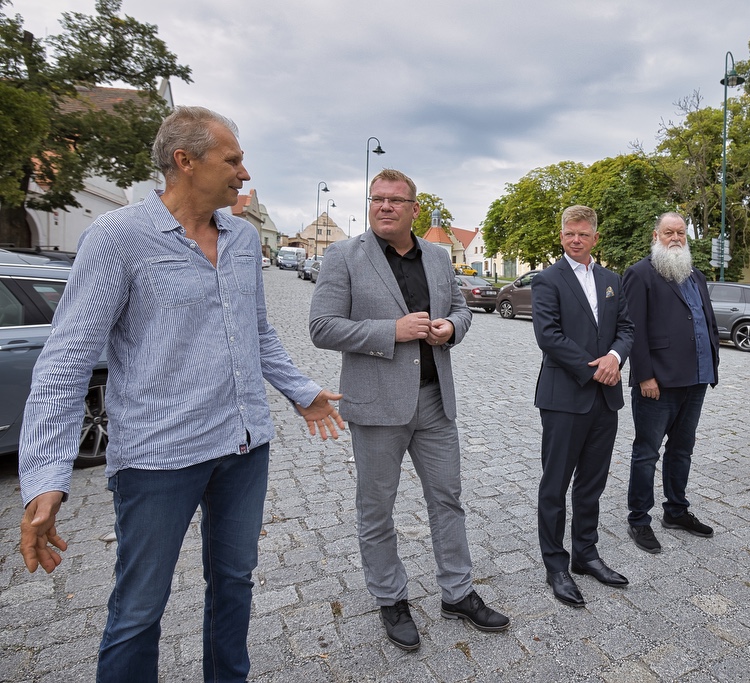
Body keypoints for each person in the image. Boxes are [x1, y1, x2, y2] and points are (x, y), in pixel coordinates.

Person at [17, 106, 345, 683]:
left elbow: (258, 331)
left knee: (235, 585)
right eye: (234, 160)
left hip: (243, 448)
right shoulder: (118, 238)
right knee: (140, 607)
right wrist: (47, 472)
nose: (244, 174)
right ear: (184, 161)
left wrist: (302, 391)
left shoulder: (243, 239)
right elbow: (66, 360)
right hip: (157, 459)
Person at [309, 169, 509, 651]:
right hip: (377, 405)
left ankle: (457, 593)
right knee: (376, 508)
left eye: (396, 201)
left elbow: (461, 309)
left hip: (435, 401)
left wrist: (452, 329)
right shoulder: (344, 256)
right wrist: (389, 332)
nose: (385, 207)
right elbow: (321, 327)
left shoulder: (438, 257)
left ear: (414, 209)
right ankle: (390, 597)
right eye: (377, 199)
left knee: (448, 499)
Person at [532, 205, 634, 608]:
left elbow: (626, 328)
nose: (576, 239)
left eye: (583, 233)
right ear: (562, 236)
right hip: (564, 396)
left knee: (592, 482)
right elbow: (548, 336)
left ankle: (585, 555)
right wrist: (593, 369)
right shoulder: (548, 280)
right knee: (555, 485)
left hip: (605, 399)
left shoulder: (611, 280)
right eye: (569, 233)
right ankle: (555, 564)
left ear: (595, 237)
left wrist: (615, 357)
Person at [621, 212, 719, 554]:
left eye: (680, 232)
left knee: (682, 449)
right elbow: (633, 329)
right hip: (658, 382)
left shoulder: (696, 275)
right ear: (656, 235)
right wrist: (645, 374)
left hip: (696, 379)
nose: (675, 237)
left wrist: (712, 364)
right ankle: (639, 519)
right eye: (668, 232)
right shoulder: (639, 274)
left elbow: (703, 321)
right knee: (647, 452)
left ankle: (676, 510)